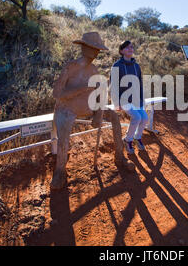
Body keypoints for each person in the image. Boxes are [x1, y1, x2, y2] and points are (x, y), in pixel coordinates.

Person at [51, 32, 134, 190]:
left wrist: (99, 114)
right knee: (64, 129)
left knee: (115, 117)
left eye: (97, 49)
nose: (95, 53)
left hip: (89, 107)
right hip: (68, 108)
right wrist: (82, 88)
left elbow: (100, 93)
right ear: (84, 48)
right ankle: (60, 171)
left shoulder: (94, 69)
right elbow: (57, 94)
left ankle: (119, 157)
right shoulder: (71, 67)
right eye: (92, 48)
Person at [110, 40, 148, 155]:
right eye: (127, 48)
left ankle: (137, 137)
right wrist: (116, 102)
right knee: (136, 117)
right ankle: (128, 140)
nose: (130, 49)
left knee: (144, 118)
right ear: (121, 51)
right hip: (124, 99)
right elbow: (113, 86)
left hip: (136, 99)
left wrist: (142, 99)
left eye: (131, 47)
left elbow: (140, 83)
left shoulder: (136, 66)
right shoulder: (116, 66)